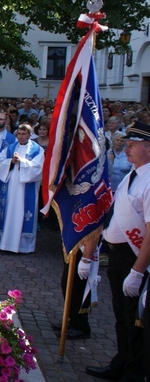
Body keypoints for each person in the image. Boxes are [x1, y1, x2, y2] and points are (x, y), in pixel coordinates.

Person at [86, 122, 150, 382]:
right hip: (118, 255)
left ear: (148, 148)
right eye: (127, 143)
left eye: (133, 144)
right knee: (121, 317)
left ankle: (134, 372)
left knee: (135, 319)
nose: (127, 147)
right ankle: (122, 362)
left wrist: (137, 271)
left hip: (134, 258)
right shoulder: (132, 175)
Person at [0, 124, 44, 254]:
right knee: (10, 212)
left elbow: (38, 168)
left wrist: (22, 161)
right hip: (11, 187)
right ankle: (6, 243)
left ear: (30, 135)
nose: (21, 137)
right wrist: (11, 161)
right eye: (19, 134)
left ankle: (24, 246)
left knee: (23, 213)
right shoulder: (10, 148)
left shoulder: (37, 150)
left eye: (24, 134)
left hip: (26, 188)